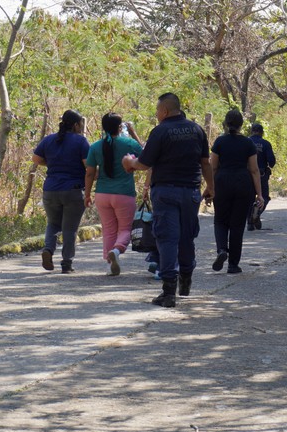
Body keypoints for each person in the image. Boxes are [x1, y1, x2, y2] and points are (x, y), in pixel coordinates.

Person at [122, 93, 214, 307]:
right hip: (191, 192)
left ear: (164, 111)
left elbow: (144, 164)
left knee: (166, 238)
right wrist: (211, 187)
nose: (156, 115)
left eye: (157, 111)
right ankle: (186, 280)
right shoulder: (197, 129)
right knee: (186, 237)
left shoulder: (160, 131)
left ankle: (169, 291)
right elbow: (205, 163)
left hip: (165, 192)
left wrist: (129, 162)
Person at [85, 112, 143, 276]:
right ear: (120, 127)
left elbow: (89, 173)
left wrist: (87, 194)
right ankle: (117, 251)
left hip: (102, 194)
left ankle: (110, 263)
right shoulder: (129, 143)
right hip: (124, 194)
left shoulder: (95, 146)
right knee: (125, 228)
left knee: (109, 230)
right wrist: (133, 134)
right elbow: (146, 158)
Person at [33, 110, 90, 274]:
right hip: (73, 190)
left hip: (50, 189)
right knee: (70, 229)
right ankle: (66, 263)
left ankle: (48, 250)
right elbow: (88, 165)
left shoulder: (49, 139)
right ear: (76, 125)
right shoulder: (81, 141)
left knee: (53, 223)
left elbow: (36, 159)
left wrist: (51, 163)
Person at [210, 110, 264, 273]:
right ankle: (233, 265)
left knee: (220, 220)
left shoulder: (219, 142)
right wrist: (259, 194)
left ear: (226, 124)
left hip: (222, 183)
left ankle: (221, 250)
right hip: (242, 184)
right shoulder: (248, 144)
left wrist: (209, 188)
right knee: (237, 225)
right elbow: (254, 170)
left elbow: (213, 167)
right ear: (241, 125)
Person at [247, 122, 276, 231]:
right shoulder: (266, 144)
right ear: (262, 133)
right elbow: (272, 162)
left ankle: (249, 221)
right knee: (264, 197)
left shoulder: (246, 142)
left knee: (248, 199)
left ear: (251, 131)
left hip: (247, 175)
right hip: (261, 175)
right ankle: (257, 213)